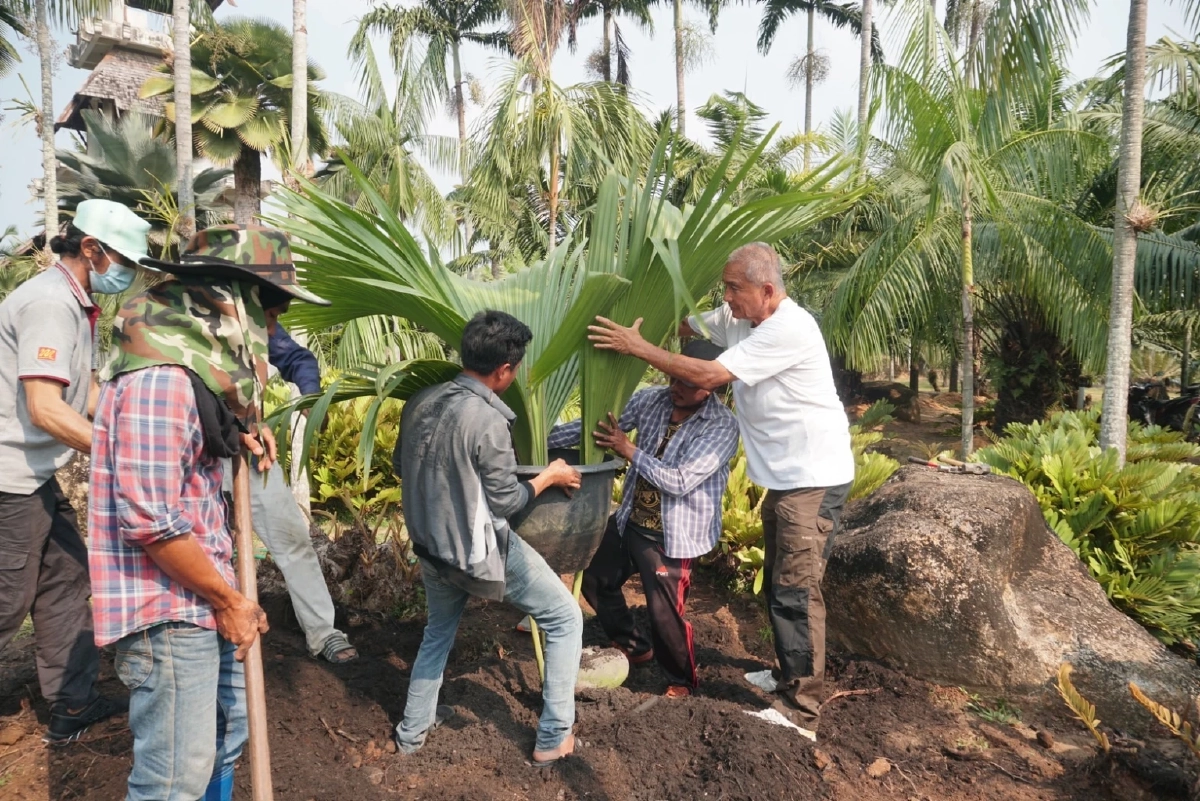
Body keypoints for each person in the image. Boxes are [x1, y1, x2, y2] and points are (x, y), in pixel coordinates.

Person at [88, 224, 329, 800]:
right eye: (269, 319)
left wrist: (240, 431)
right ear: (231, 306)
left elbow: (195, 438)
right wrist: (230, 601)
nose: (270, 337)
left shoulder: (189, 371)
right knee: (174, 779)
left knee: (227, 734)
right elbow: (151, 519)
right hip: (170, 610)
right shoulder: (160, 379)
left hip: (202, 594)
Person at [587, 242, 855, 737]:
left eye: (734, 288)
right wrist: (632, 312)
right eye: (725, 287)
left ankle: (802, 710)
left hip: (813, 478)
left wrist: (636, 347)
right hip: (785, 480)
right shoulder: (738, 319)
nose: (726, 296)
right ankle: (785, 675)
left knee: (796, 591)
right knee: (779, 582)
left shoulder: (789, 328)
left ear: (767, 291)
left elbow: (709, 373)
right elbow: (685, 326)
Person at [393, 310, 584, 765]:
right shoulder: (487, 420)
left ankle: (411, 735)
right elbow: (506, 503)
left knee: (438, 633)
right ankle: (553, 736)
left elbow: (403, 466)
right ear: (504, 370)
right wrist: (550, 476)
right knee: (565, 618)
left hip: (429, 547)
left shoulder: (421, 400)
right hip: (475, 552)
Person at [0, 200, 151, 744]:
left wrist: (145, 422)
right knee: (7, 600)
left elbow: (84, 395)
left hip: (34, 474)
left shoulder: (75, 303)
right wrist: (123, 454)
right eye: (124, 261)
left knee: (66, 575)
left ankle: (73, 703)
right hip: (9, 481)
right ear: (91, 248)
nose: (127, 273)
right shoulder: (49, 304)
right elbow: (45, 409)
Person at [548, 340, 738, 697]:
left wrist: (628, 449)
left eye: (688, 382)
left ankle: (682, 681)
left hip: (673, 535)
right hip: (629, 520)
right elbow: (595, 429)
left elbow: (679, 482)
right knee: (595, 576)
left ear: (711, 385)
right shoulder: (652, 400)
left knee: (664, 614)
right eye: (674, 377)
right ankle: (633, 645)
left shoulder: (721, 426)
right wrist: (539, 438)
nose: (676, 387)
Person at [248, 300, 356, 663]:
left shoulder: (260, 326)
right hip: (195, 461)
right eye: (271, 314)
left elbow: (298, 358)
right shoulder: (190, 326)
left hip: (252, 456)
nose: (273, 327)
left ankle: (323, 632)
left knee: (292, 539)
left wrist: (311, 399)